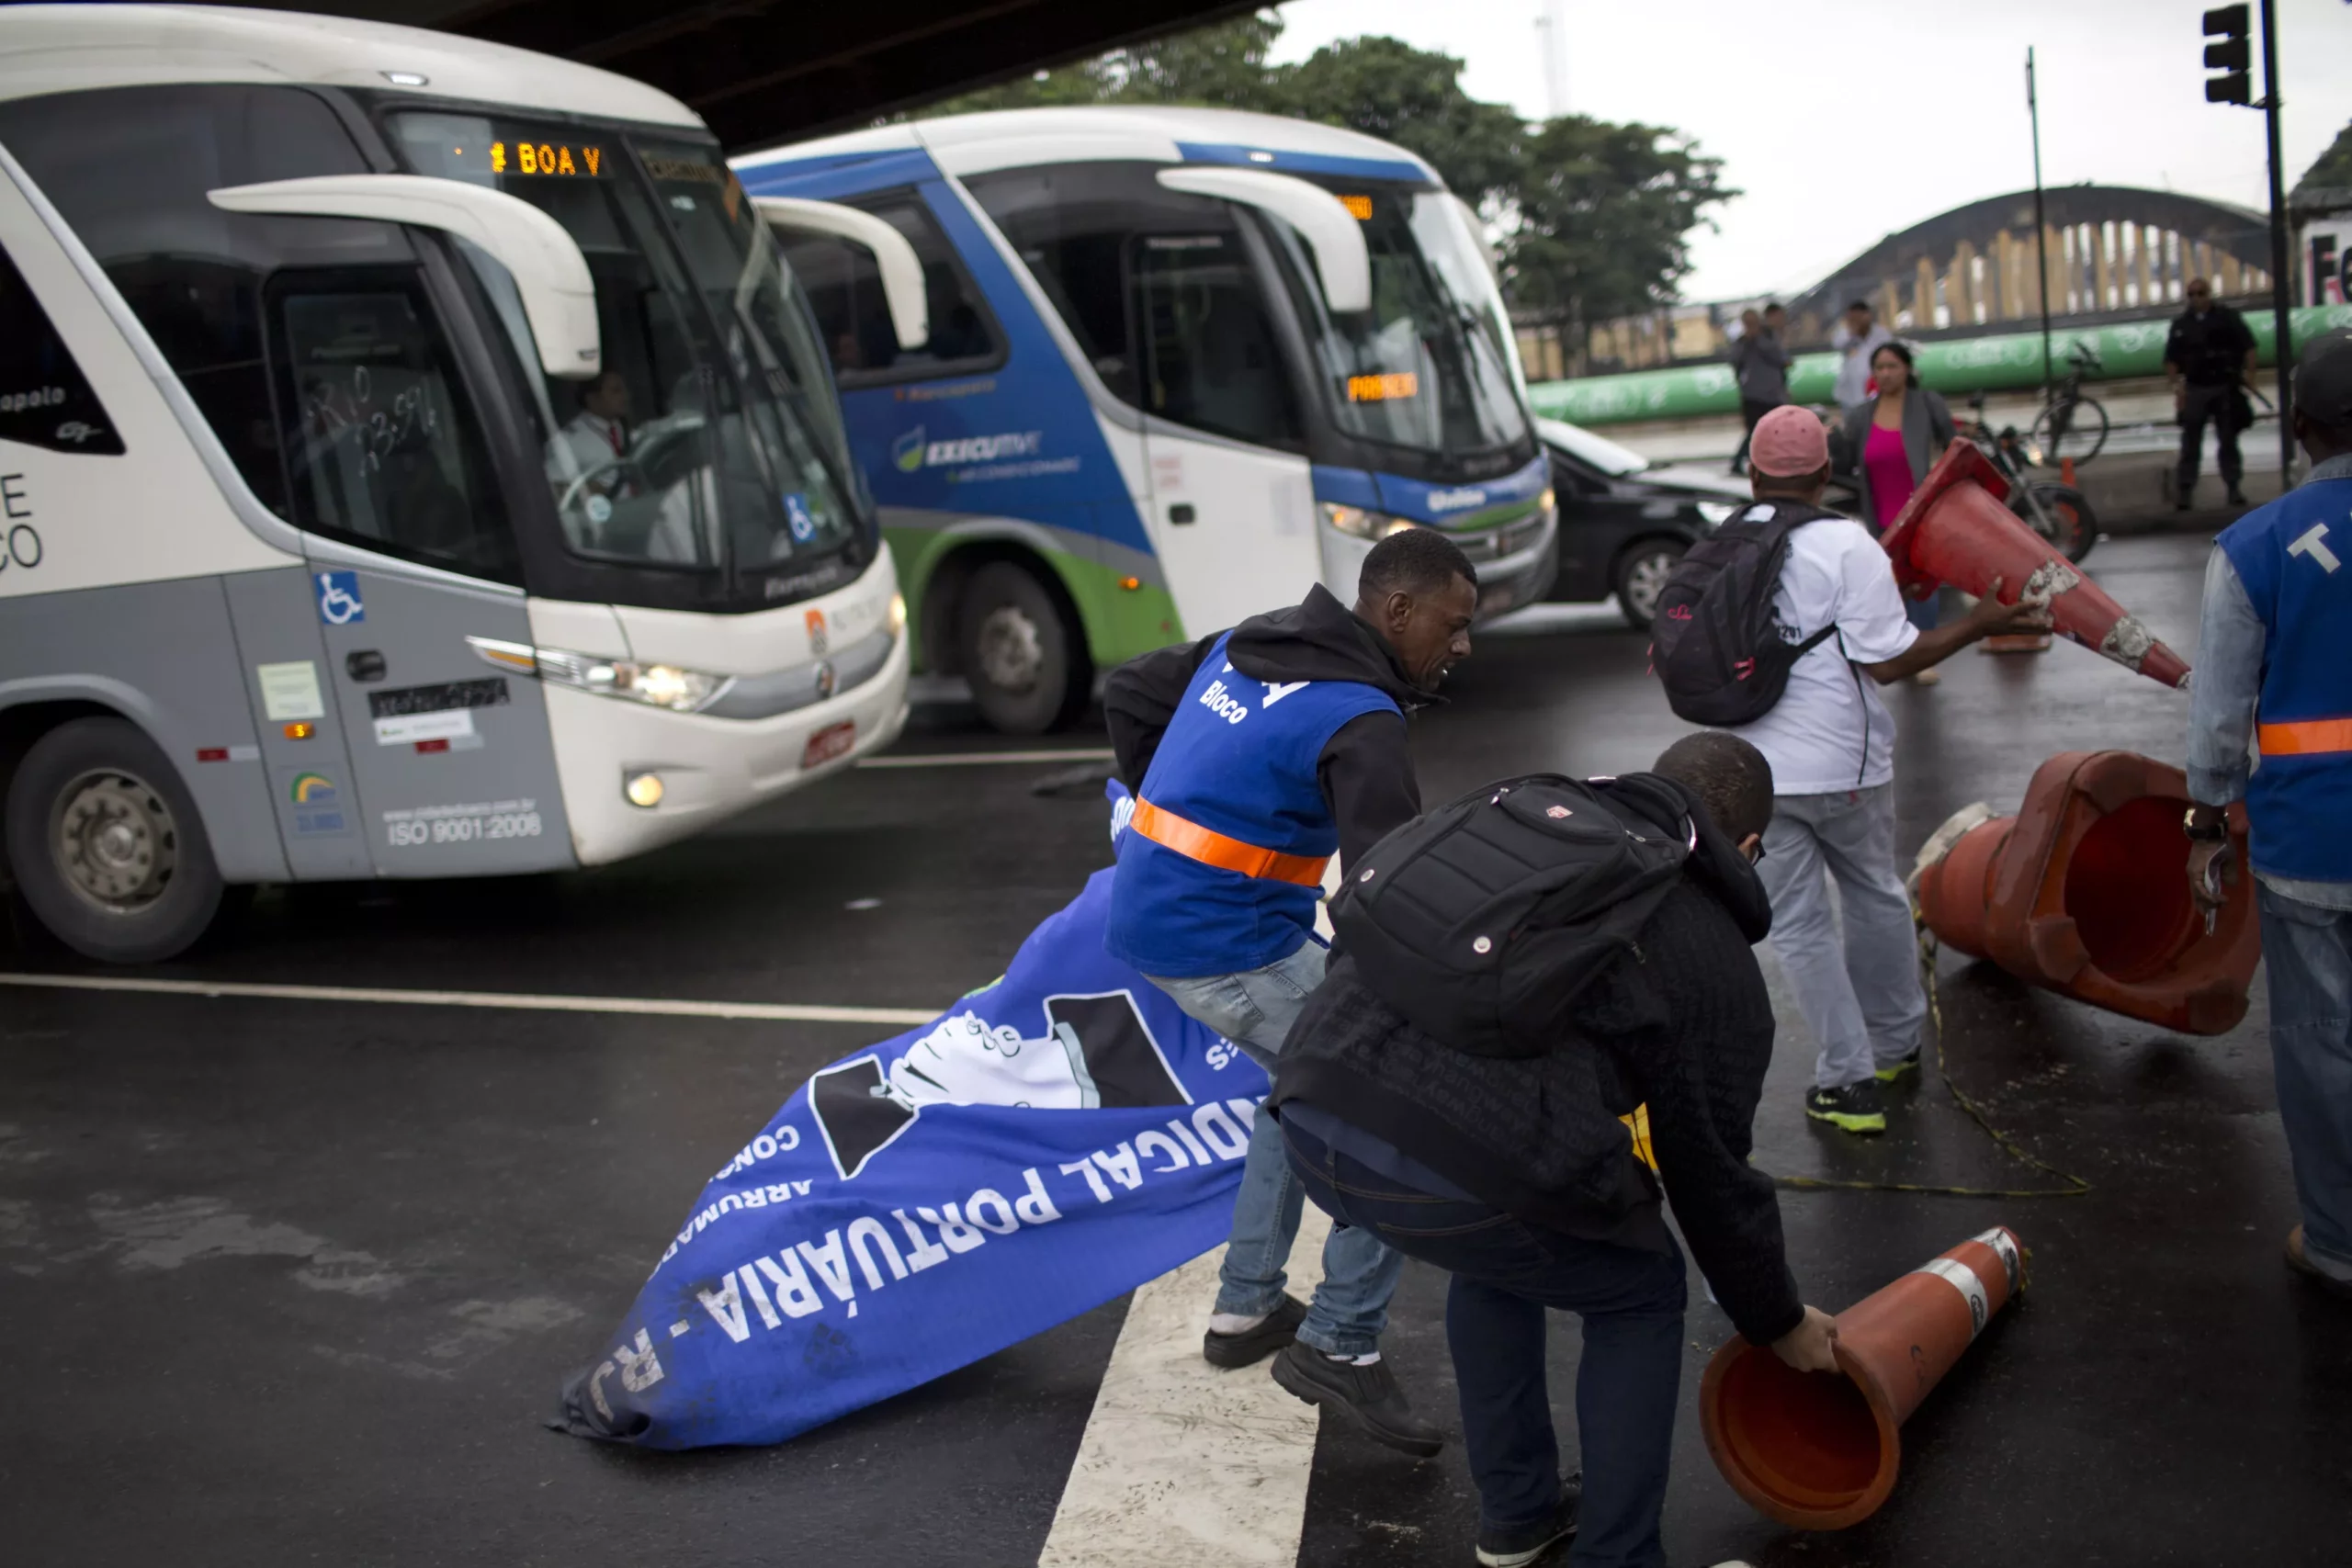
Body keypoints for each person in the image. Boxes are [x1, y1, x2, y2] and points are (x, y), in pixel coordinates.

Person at [1269, 732, 1838, 1568]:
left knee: (1507, 1250)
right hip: (1440, 1163)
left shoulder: (1524, 819)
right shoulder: (1714, 956)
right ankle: (1617, 1558)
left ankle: (1520, 1516)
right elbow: (1710, 1175)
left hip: (1314, 1109)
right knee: (1640, 1289)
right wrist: (1776, 1318)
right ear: (1747, 848)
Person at [1102, 527, 1478, 1453]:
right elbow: (1387, 892)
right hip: (1225, 946)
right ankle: (1340, 1344)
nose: (1463, 646)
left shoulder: (1257, 636)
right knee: (1397, 1098)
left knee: (1298, 1084)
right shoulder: (1360, 720)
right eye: (1454, 624)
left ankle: (1246, 1310)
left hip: (1167, 914)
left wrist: (1166, 805)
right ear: (1396, 612)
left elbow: (1129, 688)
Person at [1726, 406, 2052, 1135]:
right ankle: (1896, 1049)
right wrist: (1978, 623)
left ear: (1753, 475)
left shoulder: (1726, 539)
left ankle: (1845, 1085)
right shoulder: (1846, 544)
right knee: (1874, 892)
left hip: (1756, 771)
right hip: (1845, 763)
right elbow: (1887, 658)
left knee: (1802, 926)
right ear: (1824, 475)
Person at [2186, 327, 2352, 1303]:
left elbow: (2216, 715)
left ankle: (2338, 1239)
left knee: (2322, 1044)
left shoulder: (2254, 547)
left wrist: (2206, 819)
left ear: (2297, 431)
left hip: (2309, 842)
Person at [1835, 340, 1962, 650]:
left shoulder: (1927, 404)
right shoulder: (1861, 416)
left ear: (1907, 369)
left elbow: (1954, 449)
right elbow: (1845, 462)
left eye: (1893, 366)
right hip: (1880, 517)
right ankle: (1903, 651)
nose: (1886, 374)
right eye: (1880, 368)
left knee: (1923, 586)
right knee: (1891, 587)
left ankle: (1925, 651)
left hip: (1922, 516)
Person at [2165, 276, 2260, 511]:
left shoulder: (2227, 318)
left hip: (2224, 385)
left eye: (2201, 293)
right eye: (2192, 294)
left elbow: (2249, 347)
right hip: (2196, 387)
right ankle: (2185, 491)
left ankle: (2233, 487)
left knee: (2227, 439)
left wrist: (2250, 375)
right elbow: (2171, 359)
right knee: (2190, 443)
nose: (2196, 299)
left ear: (2209, 294)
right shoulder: (2182, 324)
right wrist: (2177, 389)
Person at [1727, 303, 1791, 475]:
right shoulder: (1741, 342)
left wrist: (1759, 339)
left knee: (1777, 428)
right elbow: (1734, 361)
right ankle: (1740, 461)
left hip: (1773, 393)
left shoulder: (1769, 337)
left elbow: (1781, 358)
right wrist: (1747, 341)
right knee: (1754, 431)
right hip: (1752, 395)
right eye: (1747, 323)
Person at [553, 370, 633, 486]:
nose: (626, 396)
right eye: (616, 391)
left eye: (624, 390)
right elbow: (555, 486)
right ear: (592, 398)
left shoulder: (624, 428)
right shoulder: (567, 440)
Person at [1830, 299, 1893, 413]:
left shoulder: (1881, 334)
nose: (1856, 321)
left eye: (1859, 317)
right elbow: (1837, 344)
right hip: (1850, 390)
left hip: (1874, 388)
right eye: (1852, 318)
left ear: (1868, 315)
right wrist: (1852, 332)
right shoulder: (1844, 334)